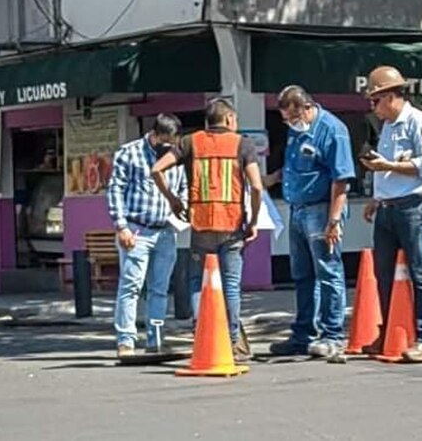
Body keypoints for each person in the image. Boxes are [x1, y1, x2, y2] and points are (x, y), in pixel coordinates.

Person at [152, 98, 262, 364]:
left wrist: (173, 200)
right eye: (234, 120)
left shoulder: (191, 142)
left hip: (200, 224)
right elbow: (257, 186)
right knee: (231, 286)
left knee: (197, 283)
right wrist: (254, 220)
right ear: (227, 120)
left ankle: (201, 335)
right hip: (232, 224)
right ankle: (233, 342)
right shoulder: (243, 144)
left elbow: (156, 169)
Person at [266, 85, 356, 358]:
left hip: (322, 210)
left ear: (306, 107)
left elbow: (341, 179)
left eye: (292, 117)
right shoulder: (297, 131)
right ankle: (302, 333)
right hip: (297, 209)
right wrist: (269, 180)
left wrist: (334, 220)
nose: (290, 124)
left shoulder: (332, 130)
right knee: (302, 274)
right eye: (285, 119)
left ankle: (332, 334)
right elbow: (294, 168)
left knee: (327, 272)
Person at [360, 66, 422, 363]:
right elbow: (385, 169)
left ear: (392, 97)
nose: (373, 107)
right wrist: (376, 198)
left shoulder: (420, 123)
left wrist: (388, 167)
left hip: (412, 207)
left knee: (421, 272)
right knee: (384, 274)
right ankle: (390, 330)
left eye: (376, 101)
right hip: (388, 207)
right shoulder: (388, 129)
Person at [106, 113, 187, 358]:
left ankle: (156, 339)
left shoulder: (175, 158)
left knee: (160, 289)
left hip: (165, 231)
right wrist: (122, 227)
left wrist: (182, 206)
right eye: (167, 141)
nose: (170, 147)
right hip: (137, 229)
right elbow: (115, 189)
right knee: (131, 286)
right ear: (155, 135)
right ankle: (126, 341)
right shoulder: (129, 153)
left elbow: (182, 187)